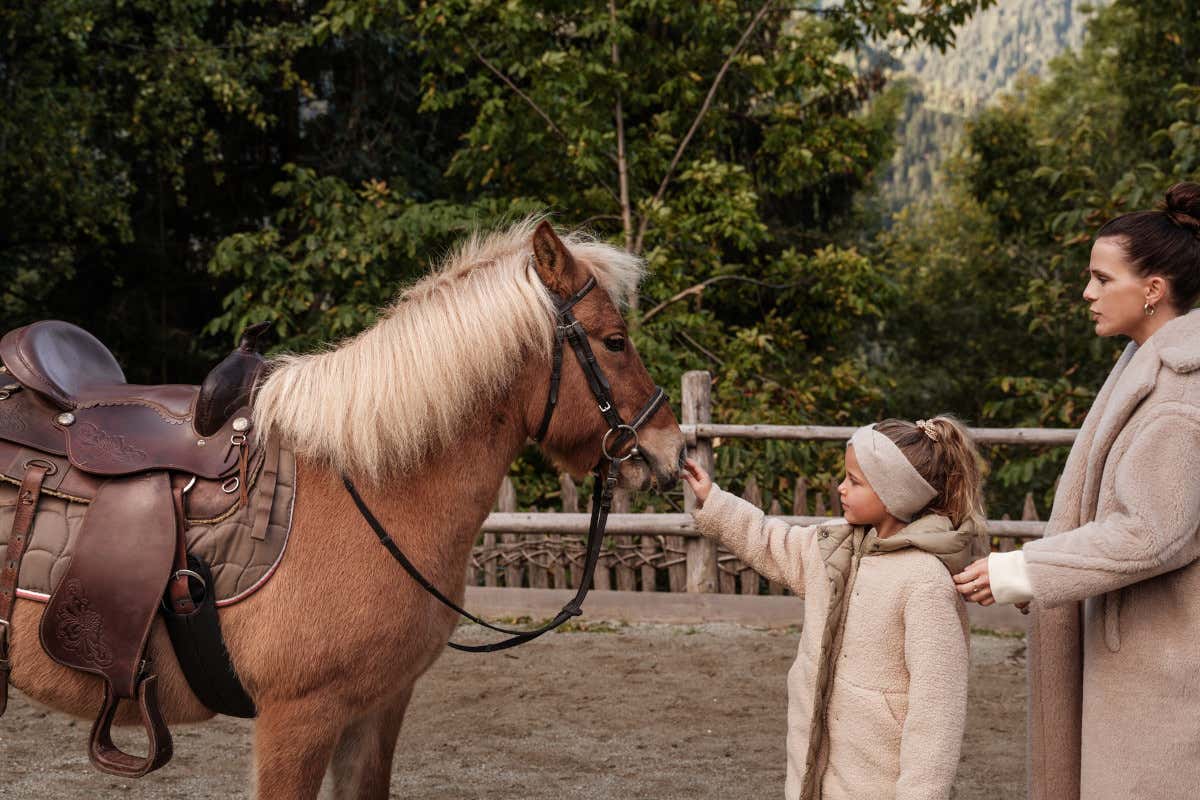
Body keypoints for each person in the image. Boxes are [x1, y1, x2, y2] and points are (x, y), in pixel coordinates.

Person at [952, 182, 1200, 800]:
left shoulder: (1180, 392)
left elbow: (1154, 532)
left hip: (1163, 668)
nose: (1086, 293)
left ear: (1152, 290)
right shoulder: (1143, 362)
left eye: (1100, 278)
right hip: (1145, 655)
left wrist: (1029, 569)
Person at [683, 417, 984, 800]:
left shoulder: (925, 582)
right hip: (817, 774)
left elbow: (937, 715)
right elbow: (771, 541)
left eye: (854, 481)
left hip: (877, 785)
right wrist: (714, 500)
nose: (841, 488)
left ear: (895, 494)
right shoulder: (833, 547)